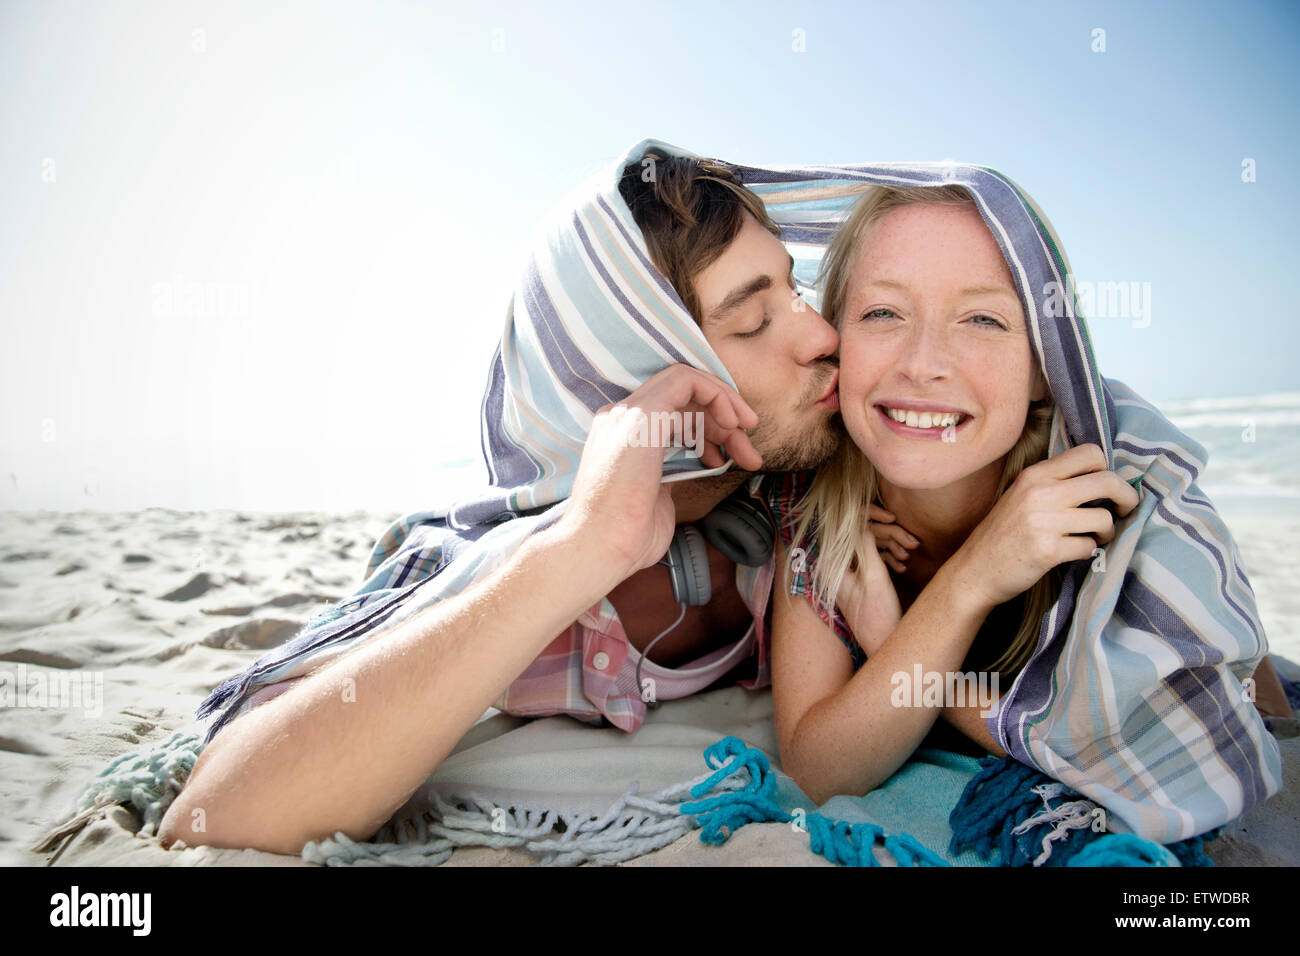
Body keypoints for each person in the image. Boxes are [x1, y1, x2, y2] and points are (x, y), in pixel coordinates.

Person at [157, 140, 843, 855]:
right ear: (636, 369)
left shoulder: (819, 506)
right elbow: (219, 815)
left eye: (793, 292)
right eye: (753, 322)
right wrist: (585, 550)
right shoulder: (472, 570)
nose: (821, 334)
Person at [764, 178, 1287, 841]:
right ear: (838, 338)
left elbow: (1207, 752)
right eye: (882, 314)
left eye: (983, 319)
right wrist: (969, 584)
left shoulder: (1114, 471)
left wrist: (898, 651)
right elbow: (819, 769)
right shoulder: (824, 501)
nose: (923, 364)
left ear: (1047, 366)